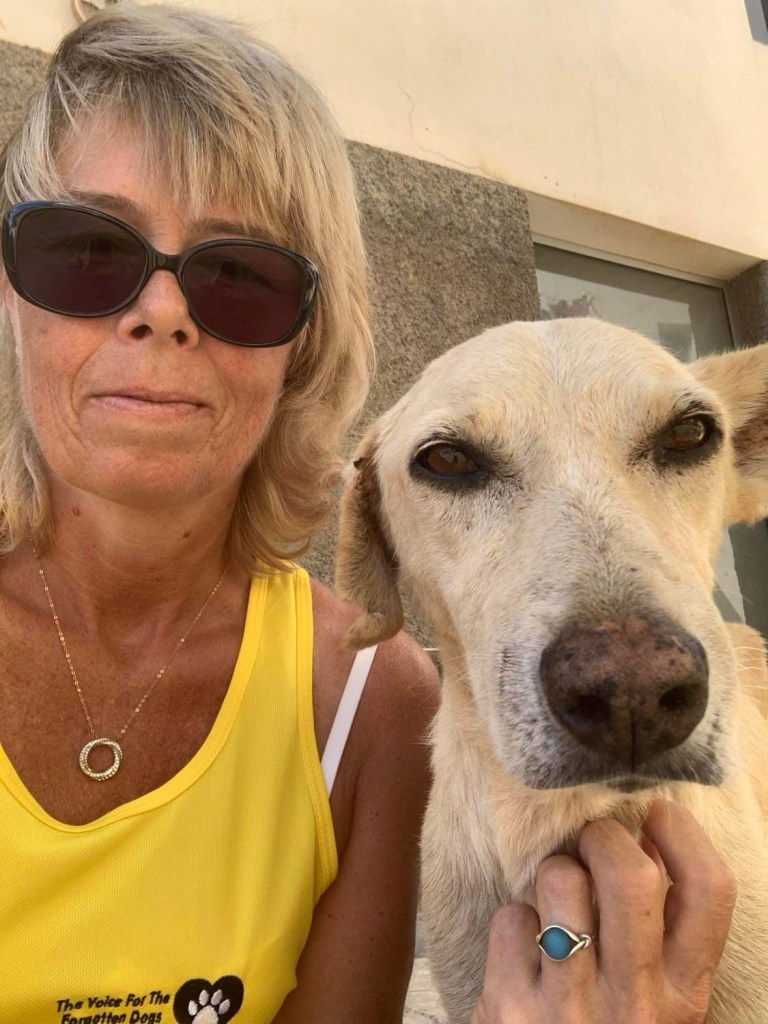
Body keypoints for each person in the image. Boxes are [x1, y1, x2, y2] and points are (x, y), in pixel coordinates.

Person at [0, 5, 735, 1023]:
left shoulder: (372, 702)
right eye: (86, 248)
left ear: (307, 342)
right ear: (10, 296)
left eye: (239, 274)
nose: (159, 310)